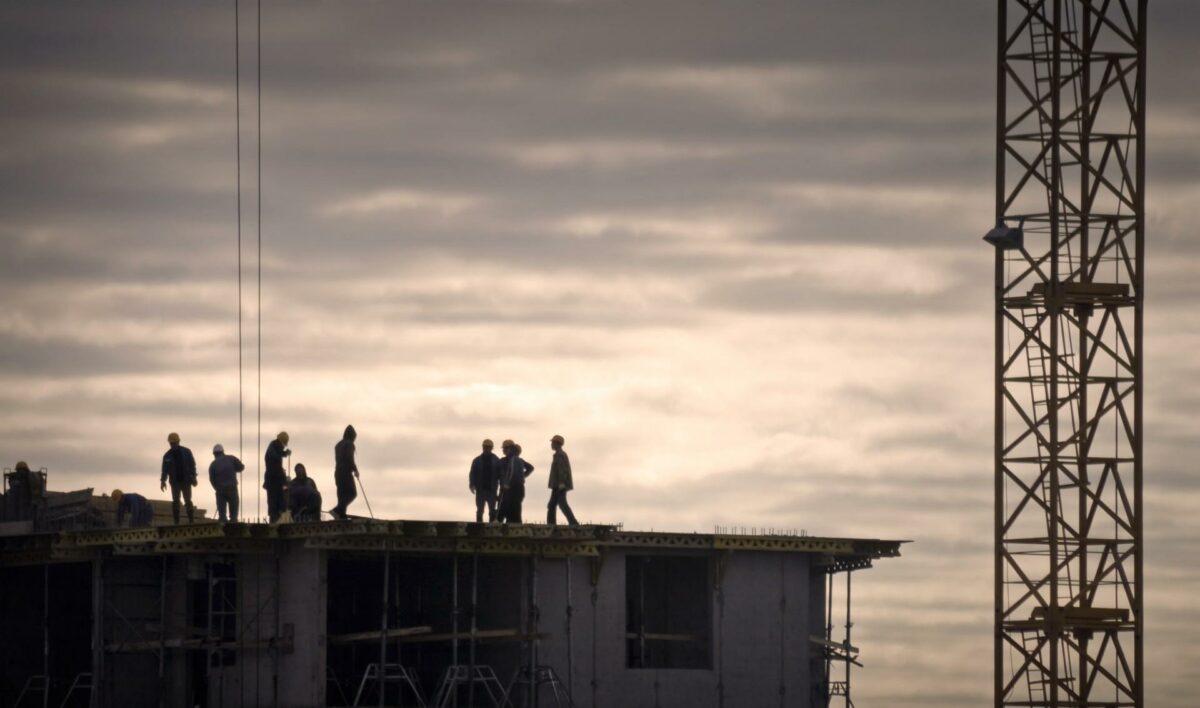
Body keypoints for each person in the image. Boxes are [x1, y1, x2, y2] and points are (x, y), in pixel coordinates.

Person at [160, 432, 197, 524]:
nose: (173, 445)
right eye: (171, 443)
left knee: (187, 500)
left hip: (186, 481)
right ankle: (176, 522)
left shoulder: (186, 452)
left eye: (174, 443)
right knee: (176, 501)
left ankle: (191, 521)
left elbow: (192, 465)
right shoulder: (167, 456)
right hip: (174, 482)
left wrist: (194, 477)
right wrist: (163, 481)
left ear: (178, 442)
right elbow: (164, 470)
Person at [546, 435, 579, 526]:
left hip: (559, 485)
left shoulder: (559, 455)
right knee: (552, 505)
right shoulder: (559, 454)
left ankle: (573, 522)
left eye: (552, 443)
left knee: (562, 504)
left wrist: (561, 483)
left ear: (557, 444)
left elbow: (562, 469)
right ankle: (551, 524)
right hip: (557, 485)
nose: (551, 445)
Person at [497, 441, 533, 524]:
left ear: (510, 448)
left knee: (511, 509)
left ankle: (505, 526)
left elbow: (529, 468)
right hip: (506, 488)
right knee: (507, 509)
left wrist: (521, 476)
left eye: (505, 448)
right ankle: (503, 525)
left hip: (511, 488)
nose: (504, 450)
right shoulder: (504, 460)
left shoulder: (514, 460)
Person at [208, 443, 244, 523]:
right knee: (234, 516)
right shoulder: (231, 458)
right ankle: (233, 525)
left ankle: (223, 526)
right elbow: (241, 467)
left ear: (214, 454)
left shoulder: (213, 465)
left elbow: (212, 479)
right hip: (232, 488)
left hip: (220, 490)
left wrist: (217, 488)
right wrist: (233, 469)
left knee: (222, 516)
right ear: (223, 452)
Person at [332, 425, 359, 520]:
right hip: (345, 472)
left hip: (337, 472)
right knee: (352, 493)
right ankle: (338, 510)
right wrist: (355, 470)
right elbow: (349, 458)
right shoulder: (349, 444)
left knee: (342, 494)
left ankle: (341, 514)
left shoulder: (338, 445)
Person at [469, 439, 500, 522]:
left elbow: (501, 474)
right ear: (483, 447)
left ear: (491, 448)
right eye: (485, 447)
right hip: (480, 490)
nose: (486, 449)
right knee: (480, 511)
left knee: (492, 511)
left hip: (492, 490)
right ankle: (479, 528)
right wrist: (472, 485)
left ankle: (492, 528)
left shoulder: (496, 460)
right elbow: (472, 473)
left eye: (488, 447)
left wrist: (503, 486)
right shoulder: (477, 460)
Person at [264, 432, 291, 523]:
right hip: (273, 480)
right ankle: (274, 520)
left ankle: (278, 518)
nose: (283, 446)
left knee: (279, 502)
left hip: (275, 479)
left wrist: (284, 453)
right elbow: (274, 457)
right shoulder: (274, 446)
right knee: (273, 502)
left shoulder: (274, 447)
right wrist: (284, 453)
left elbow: (277, 456)